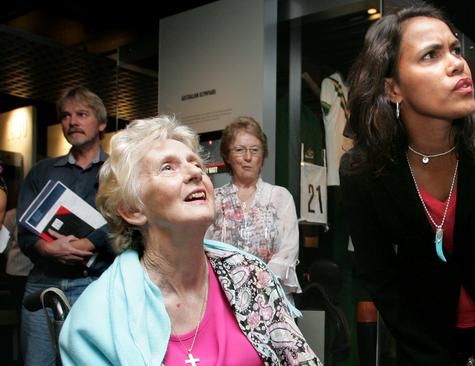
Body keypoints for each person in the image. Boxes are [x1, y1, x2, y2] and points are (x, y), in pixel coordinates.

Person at [340, 3, 475, 366]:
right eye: (431, 55)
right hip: (425, 344)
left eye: (455, 49)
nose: (457, 63)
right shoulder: (362, 170)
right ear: (393, 89)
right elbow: (379, 276)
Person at [59, 115, 321, 365]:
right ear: (132, 209)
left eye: (196, 164)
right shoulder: (96, 317)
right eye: (168, 167)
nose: (196, 173)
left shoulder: (252, 277)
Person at [17, 86, 114, 366]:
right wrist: (47, 249)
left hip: (95, 282)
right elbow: (24, 232)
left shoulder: (118, 172)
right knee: (38, 362)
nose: (72, 121)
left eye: (82, 114)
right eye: (66, 116)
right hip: (43, 282)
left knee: (93, 362)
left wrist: (90, 242)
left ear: (102, 123)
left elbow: (130, 223)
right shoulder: (42, 172)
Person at [205, 116, 302, 300]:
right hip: (223, 298)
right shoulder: (214, 199)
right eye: (240, 150)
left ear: (263, 155)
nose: (248, 157)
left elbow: (288, 251)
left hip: (270, 298)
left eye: (254, 150)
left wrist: (258, 286)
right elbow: (203, 250)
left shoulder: (280, 197)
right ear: (227, 155)